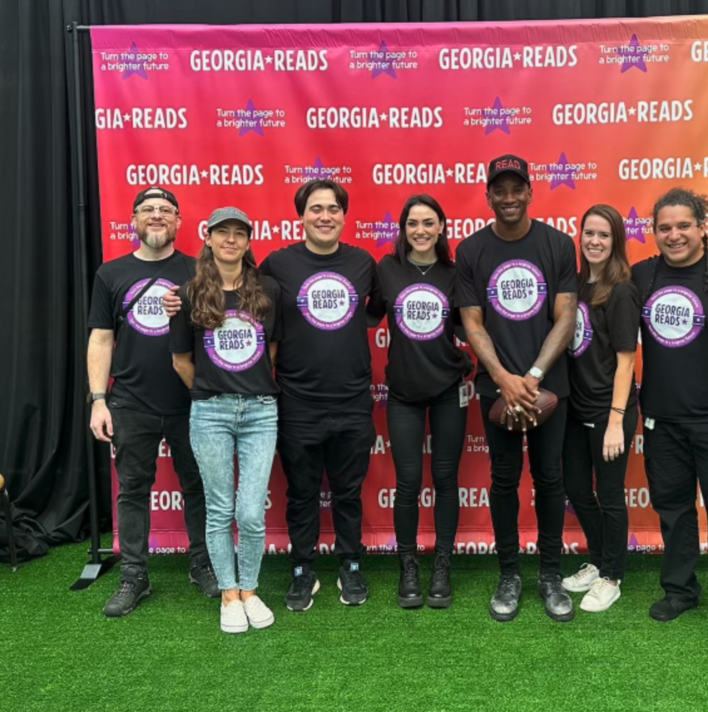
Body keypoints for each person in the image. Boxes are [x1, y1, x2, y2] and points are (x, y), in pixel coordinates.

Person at [163, 180, 384, 611]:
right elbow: (239, 305)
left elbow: (374, 309)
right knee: (301, 492)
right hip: (296, 399)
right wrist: (177, 304)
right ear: (301, 216)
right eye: (315, 208)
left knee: (349, 490)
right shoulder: (278, 265)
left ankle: (350, 564)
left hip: (353, 397)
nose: (324, 216)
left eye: (333, 208)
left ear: (343, 215)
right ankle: (302, 570)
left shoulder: (362, 262)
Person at [456, 154, 578, 622]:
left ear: (530, 192)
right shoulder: (471, 251)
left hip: (549, 386)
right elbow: (472, 322)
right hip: (497, 389)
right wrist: (505, 379)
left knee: (550, 478)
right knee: (504, 480)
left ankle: (549, 574)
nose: (508, 198)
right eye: (499, 190)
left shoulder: (557, 244)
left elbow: (565, 315)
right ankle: (509, 573)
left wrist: (533, 377)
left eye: (516, 189)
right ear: (488, 196)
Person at [630, 187, 708, 636]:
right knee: (673, 511)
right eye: (664, 227)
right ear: (654, 233)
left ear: (703, 226)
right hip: (662, 419)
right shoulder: (640, 275)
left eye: (684, 225)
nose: (674, 234)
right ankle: (680, 590)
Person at [87, 186, 218, 618]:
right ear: (134, 221)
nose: (157, 216)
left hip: (191, 400)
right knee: (133, 490)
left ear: (180, 222)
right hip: (130, 402)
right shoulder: (111, 273)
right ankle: (134, 576)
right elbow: (102, 338)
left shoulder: (199, 270)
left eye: (166, 210)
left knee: (198, 487)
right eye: (148, 210)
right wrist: (98, 400)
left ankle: (202, 565)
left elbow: (218, 329)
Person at [169, 207, 282, 634]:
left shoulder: (267, 289)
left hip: (259, 411)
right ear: (209, 238)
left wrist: (246, 384)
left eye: (239, 233)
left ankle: (250, 589)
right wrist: (210, 389)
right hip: (211, 410)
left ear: (249, 241)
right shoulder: (189, 292)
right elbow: (181, 360)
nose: (230, 240)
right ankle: (228, 594)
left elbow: (270, 352)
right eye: (222, 233)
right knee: (219, 508)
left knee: (251, 511)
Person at [374, 194, 472, 609]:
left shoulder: (454, 272)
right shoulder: (387, 269)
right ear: (403, 228)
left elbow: (473, 325)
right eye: (412, 223)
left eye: (428, 222)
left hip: (449, 388)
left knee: (446, 480)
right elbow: (365, 315)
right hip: (403, 393)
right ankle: (408, 565)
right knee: (409, 482)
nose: (420, 230)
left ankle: (442, 565)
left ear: (441, 228)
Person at [560, 204, 640, 613]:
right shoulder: (574, 284)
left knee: (609, 495)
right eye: (588, 233)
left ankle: (612, 576)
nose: (594, 241)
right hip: (575, 408)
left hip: (611, 411)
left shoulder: (622, 290)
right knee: (576, 489)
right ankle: (599, 558)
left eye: (604, 235)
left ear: (616, 241)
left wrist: (615, 422)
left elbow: (626, 360)